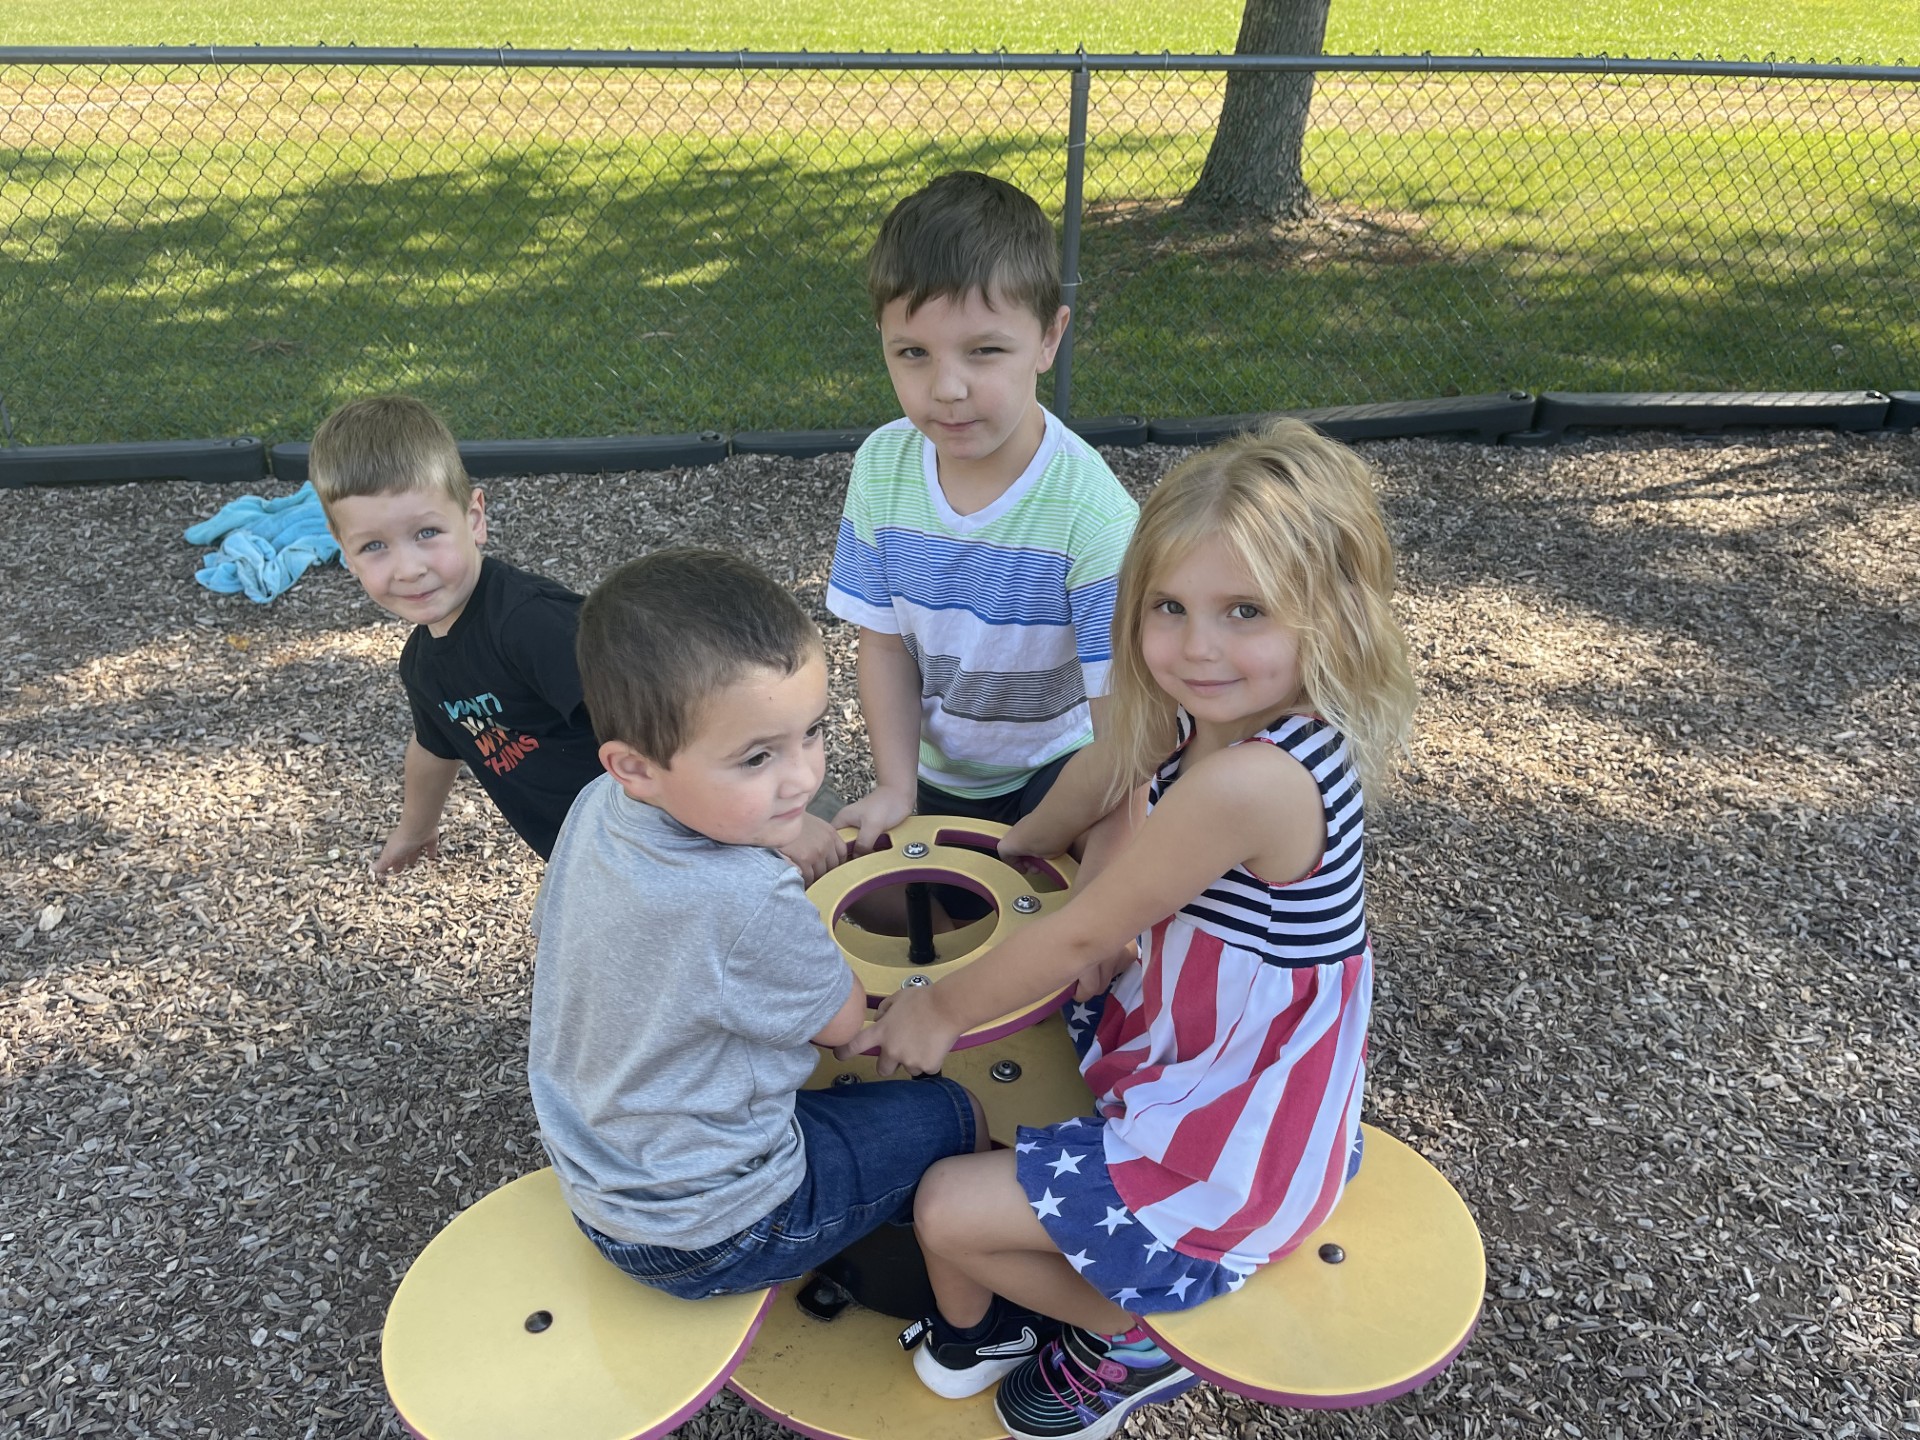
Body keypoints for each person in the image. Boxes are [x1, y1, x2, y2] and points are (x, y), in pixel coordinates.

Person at [851, 421, 1420, 1440]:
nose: (1197, 646)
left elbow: (1079, 935)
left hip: (1229, 1145)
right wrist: (1015, 843)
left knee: (943, 1206)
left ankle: (1134, 1337)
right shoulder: (1217, 717)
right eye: (1170, 608)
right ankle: (1046, 1314)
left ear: (1330, 617)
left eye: (1243, 611)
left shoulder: (1252, 780)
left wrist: (935, 1011)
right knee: (1043, 1052)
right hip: (1219, 1055)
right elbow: (1107, 768)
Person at [527, 548, 999, 1307]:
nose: (805, 778)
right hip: (718, 1232)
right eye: (756, 758)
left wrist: (769, 825)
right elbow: (845, 1024)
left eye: (810, 733)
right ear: (637, 766)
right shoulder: (741, 898)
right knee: (955, 1109)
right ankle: (951, 1308)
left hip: (605, 1176)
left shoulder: (597, 807)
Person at [311, 394, 847, 882]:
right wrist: (415, 830)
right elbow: (435, 747)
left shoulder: (531, 627)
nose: (407, 568)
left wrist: (785, 823)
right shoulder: (425, 665)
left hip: (727, 823)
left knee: (840, 916)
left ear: (474, 518)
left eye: (426, 533)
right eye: (374, 547)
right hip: (627, 855)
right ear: (345, 553)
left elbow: (688, 719)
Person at [826, 171, 1139, 884]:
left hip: (1059, 766)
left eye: (984, 351)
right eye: (913, 353)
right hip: (934, 766)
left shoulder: (1093, 517)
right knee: (870, 906)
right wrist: (896, 786)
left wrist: (1037, 843)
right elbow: (883, 644)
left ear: (1049, 338)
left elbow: (1126, 737)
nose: (947, 388)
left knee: (1103, 885)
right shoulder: (882, 467)